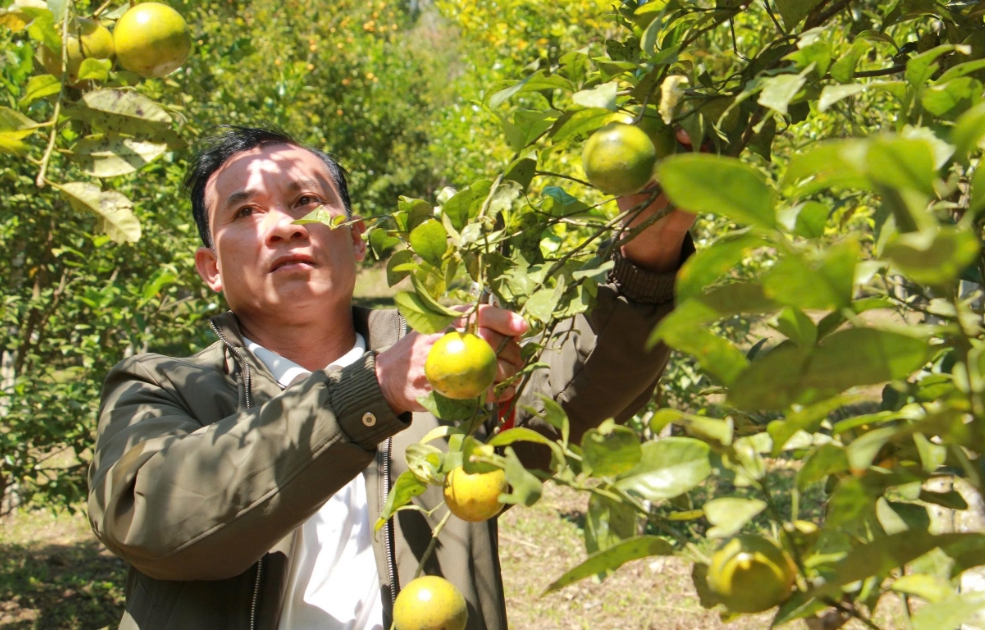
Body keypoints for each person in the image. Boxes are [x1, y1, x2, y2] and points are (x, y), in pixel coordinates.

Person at [87, 126, 695, 630]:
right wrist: (370, 391)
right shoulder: (159, 388)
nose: (283, 226)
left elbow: (572, 402)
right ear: (212, 268)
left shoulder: (445, 373)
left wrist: (649, 259)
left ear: (354, 240)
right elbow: (155, 520)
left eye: (305, 202)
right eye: (246, 211)